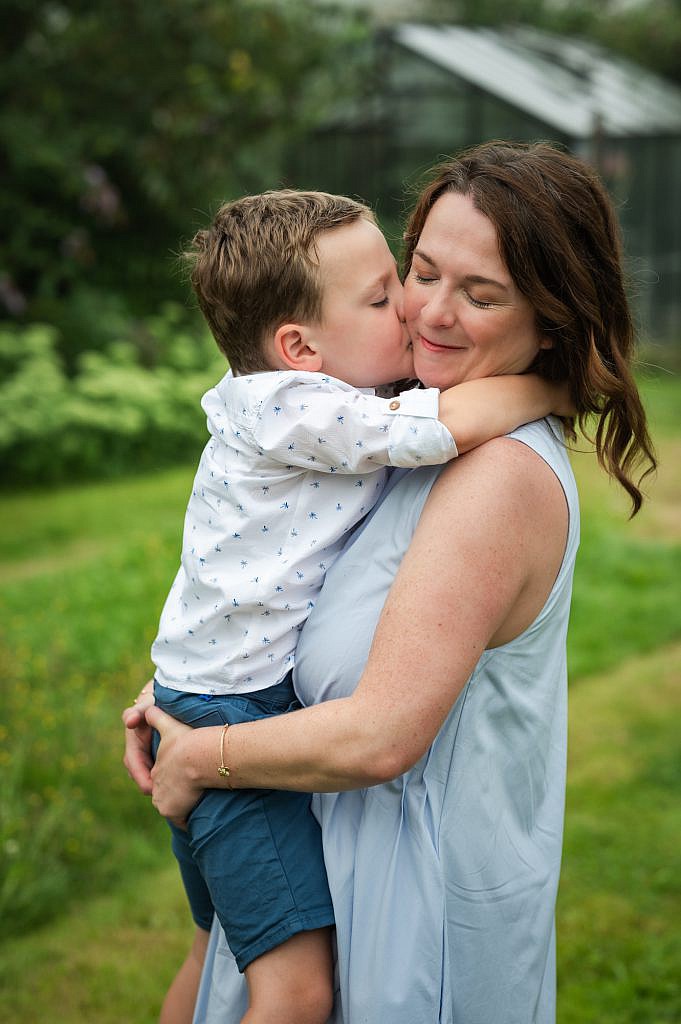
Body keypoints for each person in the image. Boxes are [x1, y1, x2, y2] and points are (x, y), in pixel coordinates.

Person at [124, 142, 656, 1024]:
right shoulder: (370, 423)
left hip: (404, 915)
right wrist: (178, 694)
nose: (431, 315)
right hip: (315, 838)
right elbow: (268, 574)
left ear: (551, 321)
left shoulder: (494, 478)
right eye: (420, 273)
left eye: (481, 295)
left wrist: (199, 755)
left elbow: (380, 735)